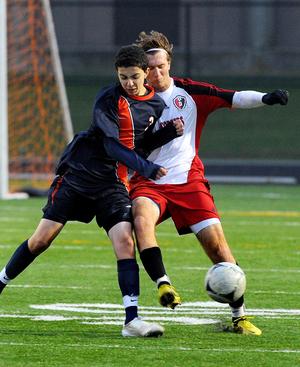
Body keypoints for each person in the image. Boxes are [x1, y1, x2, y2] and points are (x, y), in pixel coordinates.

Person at [0, 45, 183, 338]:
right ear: (117, 74)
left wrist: (166, 134)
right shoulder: (107, 99)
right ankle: (0, 283)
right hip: (79, 176)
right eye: (123, 77)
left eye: (134, 76)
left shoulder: (156, 106)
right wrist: (146, 168)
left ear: (145, 73)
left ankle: (132, 321)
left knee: (125, 242)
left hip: (111, 185)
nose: (129, 83)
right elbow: (111, 145)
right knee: (41, 240)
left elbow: (136, 145)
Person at [129, 31, 289, 336]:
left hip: (189, 182)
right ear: (142, 69)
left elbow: (233, 98)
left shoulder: (190, 93)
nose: (156, 73)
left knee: (219, 249)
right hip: (150, 182)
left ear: (168, 64)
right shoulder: (132, 102)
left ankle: (240, 317)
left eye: (161, 66)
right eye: (150, 68)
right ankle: (164, 285)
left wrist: (266, 98)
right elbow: (131, 147)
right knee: (140, 219)